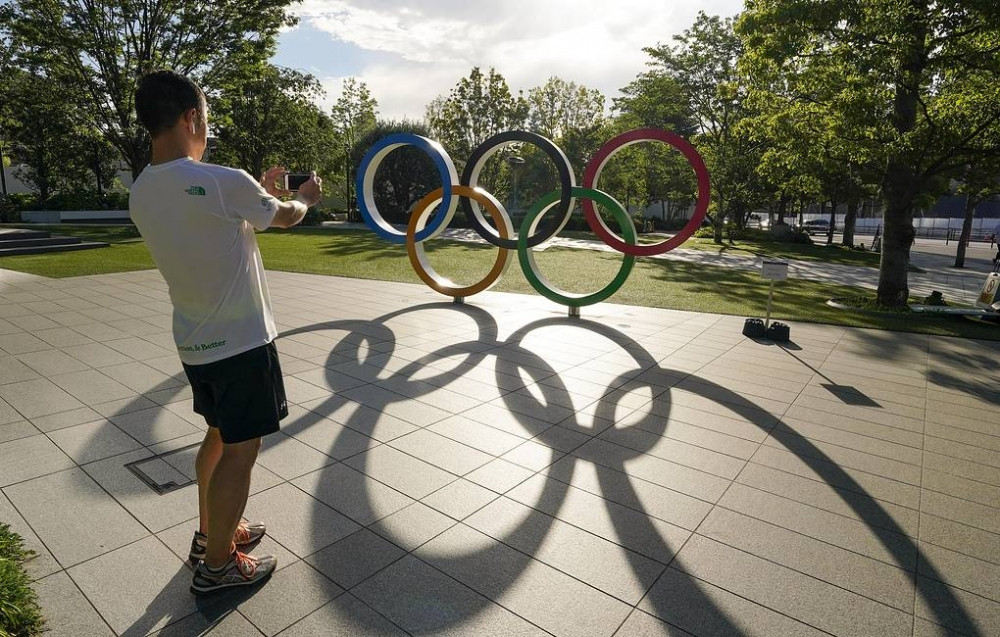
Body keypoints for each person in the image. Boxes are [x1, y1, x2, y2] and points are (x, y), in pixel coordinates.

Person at [130, 70, 322, 594]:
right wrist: (303, 196)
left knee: (216, 436)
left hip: (195, 343)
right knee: (241, 449)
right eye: (205, 118)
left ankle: (210, 533)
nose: (206, 129)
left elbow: (219, 217)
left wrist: (254, 191)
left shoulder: (142, 192)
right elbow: (282, 216)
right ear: (191, 116)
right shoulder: (221, 180)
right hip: (241, 343)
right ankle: (217, 566)